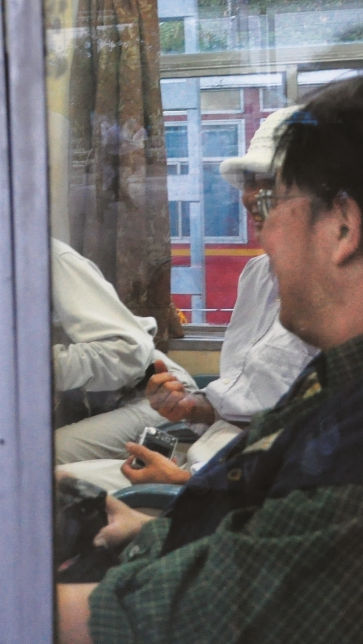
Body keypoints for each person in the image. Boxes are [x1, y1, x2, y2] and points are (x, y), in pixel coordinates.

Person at [49, 72, 363, 644]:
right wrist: (150, 532)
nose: (265, 233)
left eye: (273, 201)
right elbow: (261, 518)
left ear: (344, 225)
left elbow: (188, 624)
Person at [60, 108, 318, 491]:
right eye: (249, 182)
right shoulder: (258, 275)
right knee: (53, 481)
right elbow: (244, 397)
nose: (250, 198)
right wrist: (191, 408)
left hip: (237, 483)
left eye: (270, 183)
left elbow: (306, 454)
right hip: (207, 456)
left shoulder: (345, 298)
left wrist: (185, 483)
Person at [0, 140, 183, 480]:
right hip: (55, 418)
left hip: (150, 399)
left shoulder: (45, 261)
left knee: (32, 459)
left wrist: (34, 371)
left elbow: (131, 351)